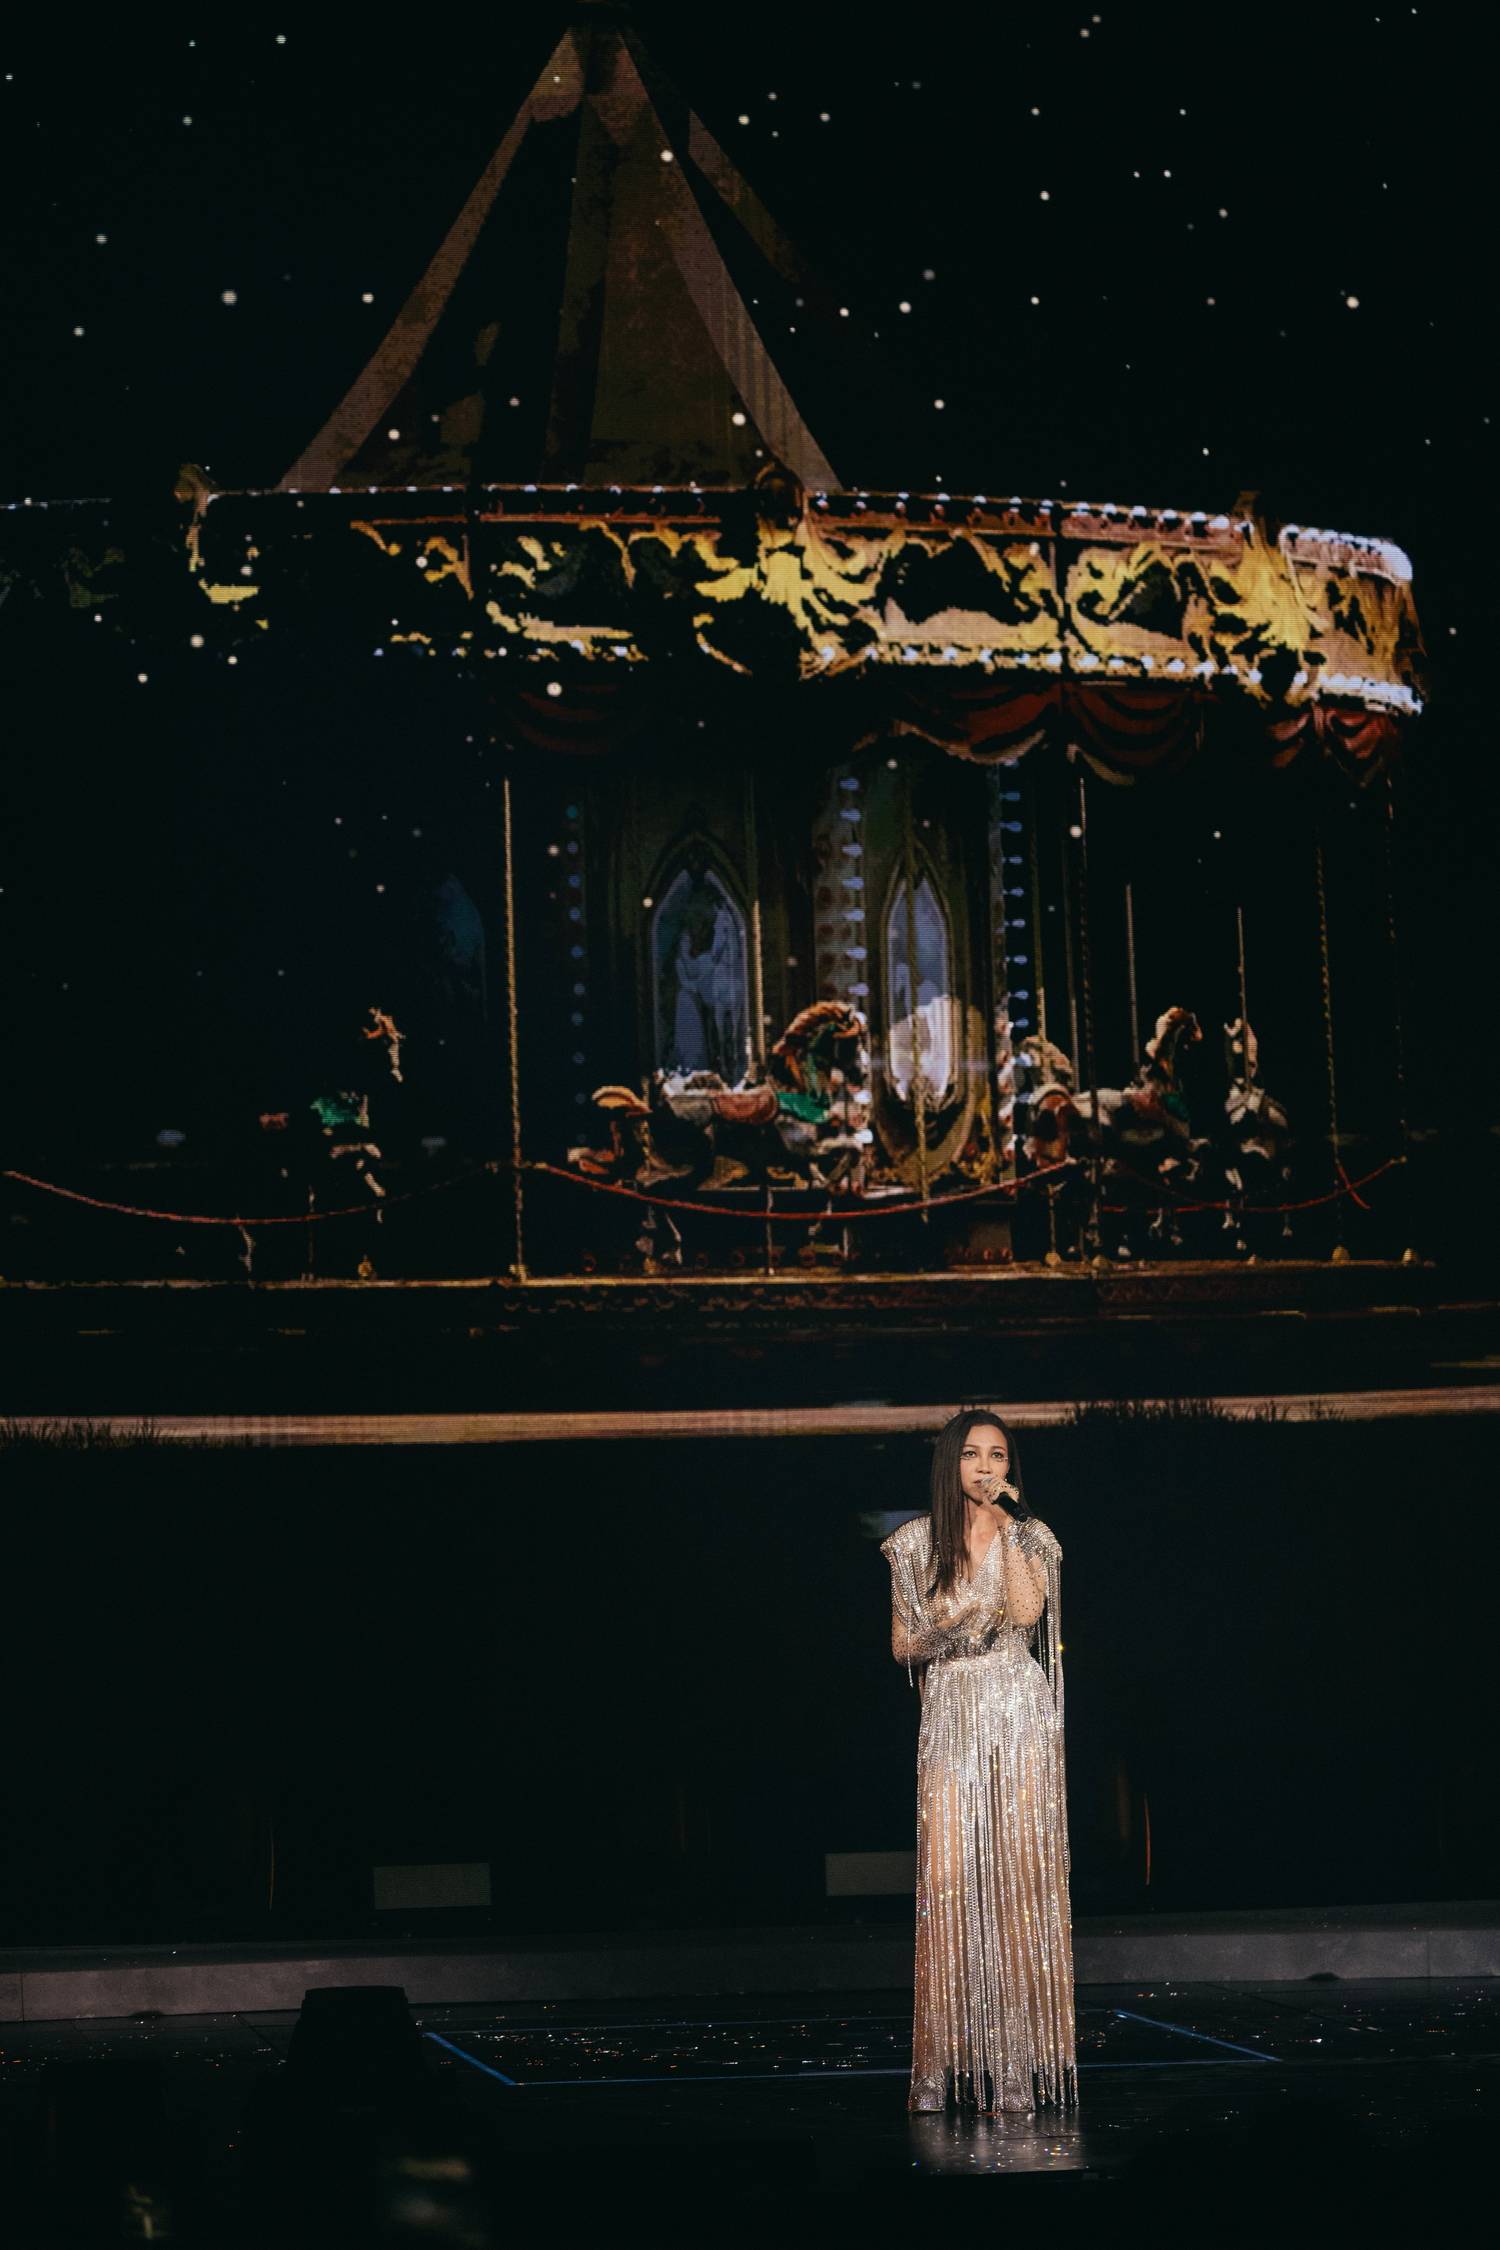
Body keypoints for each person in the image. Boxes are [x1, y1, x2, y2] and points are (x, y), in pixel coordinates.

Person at [881, 1407, 1078, 2114]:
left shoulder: (1032, 1535)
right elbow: (903, 1645)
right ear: (950, 1463)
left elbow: (1024, 1614)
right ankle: (939, 2067)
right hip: (952, 1709)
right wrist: (955, 1628)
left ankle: (1017, 2067)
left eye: (997, 1455)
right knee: (948, 1878)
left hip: (1017, 1708)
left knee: (1016, 1879)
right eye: (972, 1454)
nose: (986, 1467)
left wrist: (1013, 1527)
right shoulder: (914, 1544)